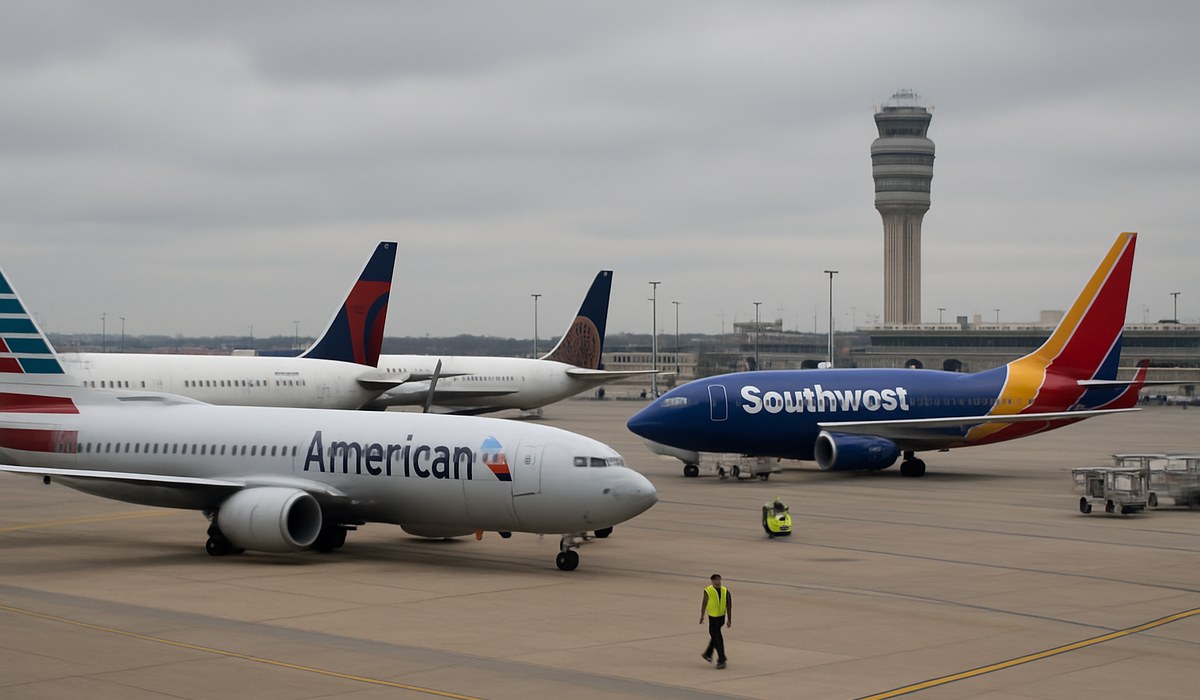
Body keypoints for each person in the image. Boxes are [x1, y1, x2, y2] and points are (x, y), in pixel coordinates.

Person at [699, 573, 731, 669]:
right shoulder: (708, 590)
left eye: (719, 580)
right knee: (718, 638)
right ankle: (721, 659)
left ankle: (708, 654)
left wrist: (729, 619)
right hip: (712, 618)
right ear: (712, 581)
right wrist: (702, 615)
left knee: (715, 637)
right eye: (716, 580)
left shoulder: (725, 591)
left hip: (721, 618)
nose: (718, 582)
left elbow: (729, 605)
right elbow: (704, 603)